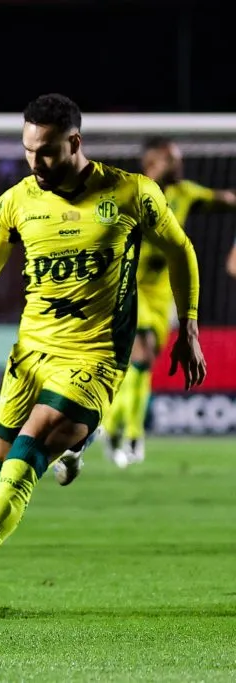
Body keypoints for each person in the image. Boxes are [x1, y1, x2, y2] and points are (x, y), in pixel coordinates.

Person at [0, 94, 205, 609]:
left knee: (22, 462)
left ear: (75, 142)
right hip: (29, 353)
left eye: (46, 151)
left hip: (93, 355)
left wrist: (191, 327)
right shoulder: (17, 202)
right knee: (4, 462)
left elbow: (180, 249)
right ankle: (75, 445)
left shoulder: (132, 193)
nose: (36, 163)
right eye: (29, 151)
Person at [99, 137, 236, 466]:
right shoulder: (130, 192)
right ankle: (131, 432)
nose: (179, 165)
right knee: (141, 352)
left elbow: (225, 199)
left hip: (163, 291)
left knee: (144, 363)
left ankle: (116, 426)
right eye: (170, 160)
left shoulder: (186, 193)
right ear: (151, 164)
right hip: (128, 283)